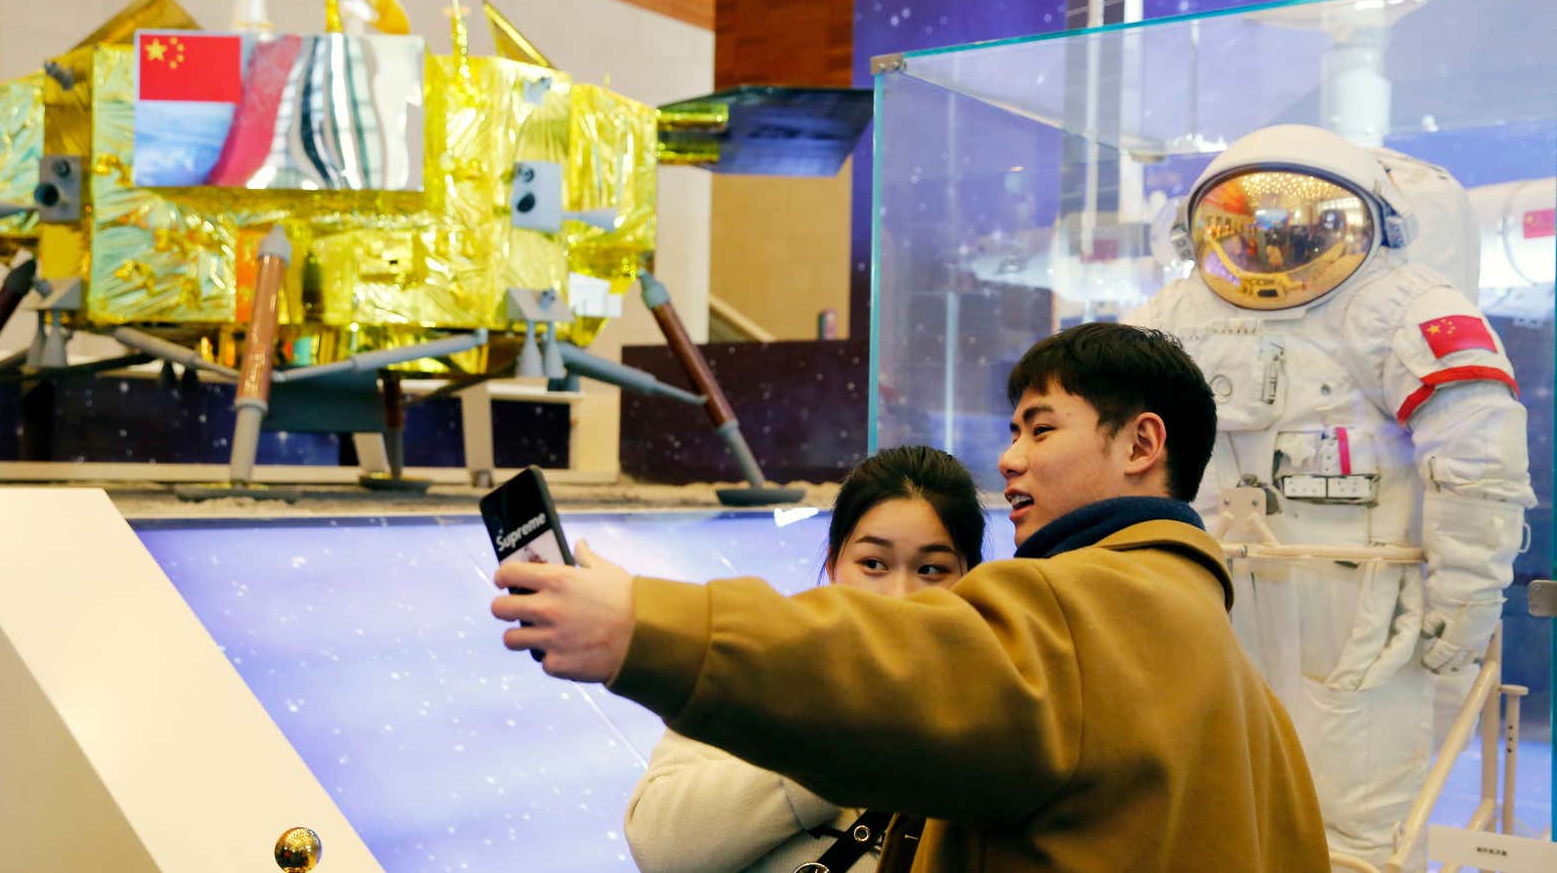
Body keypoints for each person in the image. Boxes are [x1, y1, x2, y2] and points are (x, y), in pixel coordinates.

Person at [492, 322, 1328, 872]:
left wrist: (643, 621)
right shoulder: (1230, 671)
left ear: (1143, 444)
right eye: (1012, 432)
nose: (1010, 459)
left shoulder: (1087, 607)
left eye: (1041, 429)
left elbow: (887, 668)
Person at [1126, 124, 1534, 868]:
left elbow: (1477, 461)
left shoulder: (1402, 306)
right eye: (1244, 223)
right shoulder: (1172, 316)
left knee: (1350, 815)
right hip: (1206, 588)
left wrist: (1465, 603)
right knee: (1204, 791)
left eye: (1295, 221)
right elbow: (1103, 445)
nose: (1270, 242)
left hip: (1359, 605)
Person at [624, 445, 987, 873]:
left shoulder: (992, 712)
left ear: (971, 580)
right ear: (834, 568)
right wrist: (829, 755)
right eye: (873, 563)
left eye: (931, 570)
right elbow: (661, 848)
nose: (899, 595)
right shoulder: (754, 668)